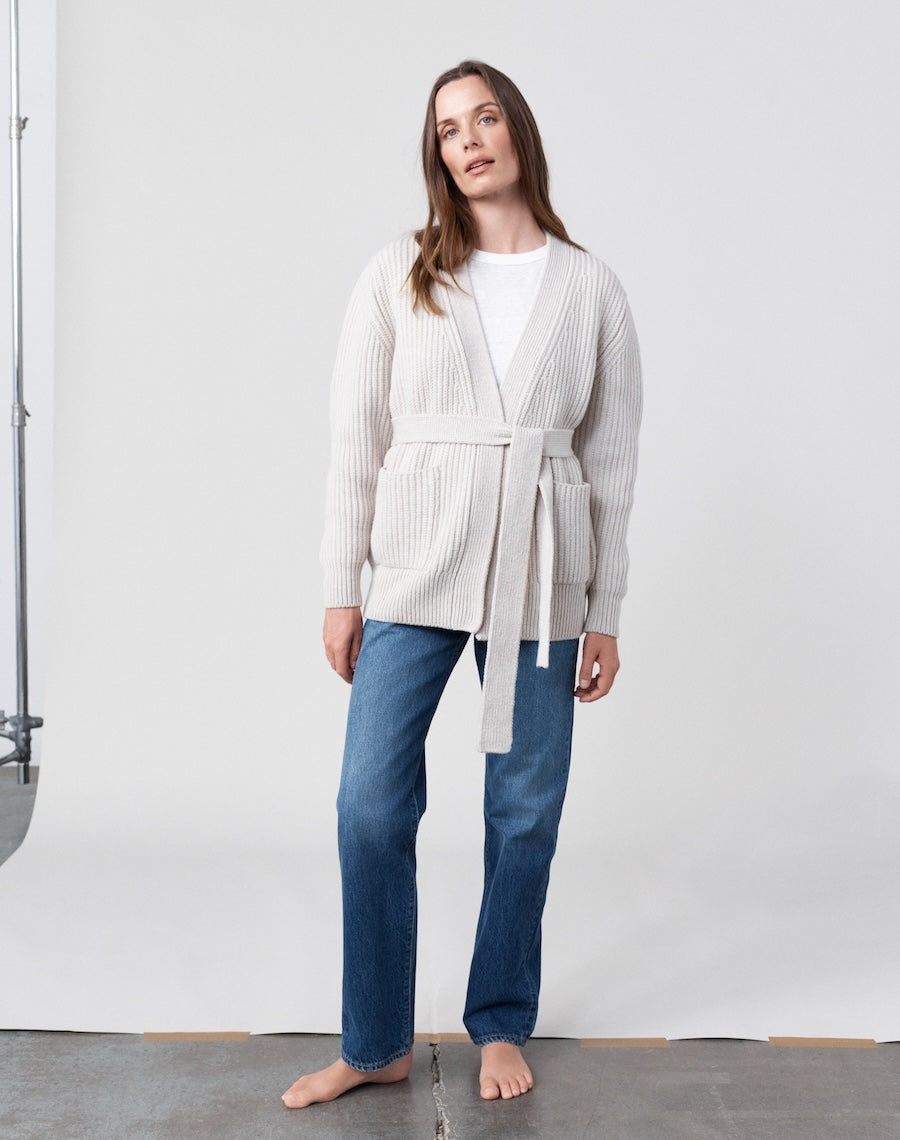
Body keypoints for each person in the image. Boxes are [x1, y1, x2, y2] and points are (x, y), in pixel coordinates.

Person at [283, 58, 642, 1109]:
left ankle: (500, 1020)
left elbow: (612, 464)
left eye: (485, 118)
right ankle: (375, 1041)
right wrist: (342, 586)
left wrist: (604, 611)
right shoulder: (398, 274)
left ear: (517, 129)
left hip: (543, 579)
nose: (470, 139)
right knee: (367, 804)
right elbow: (357, 435)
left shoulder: (593, 289)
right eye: (449, 129)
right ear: (436, 155)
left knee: (524, 813)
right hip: (415, 566)